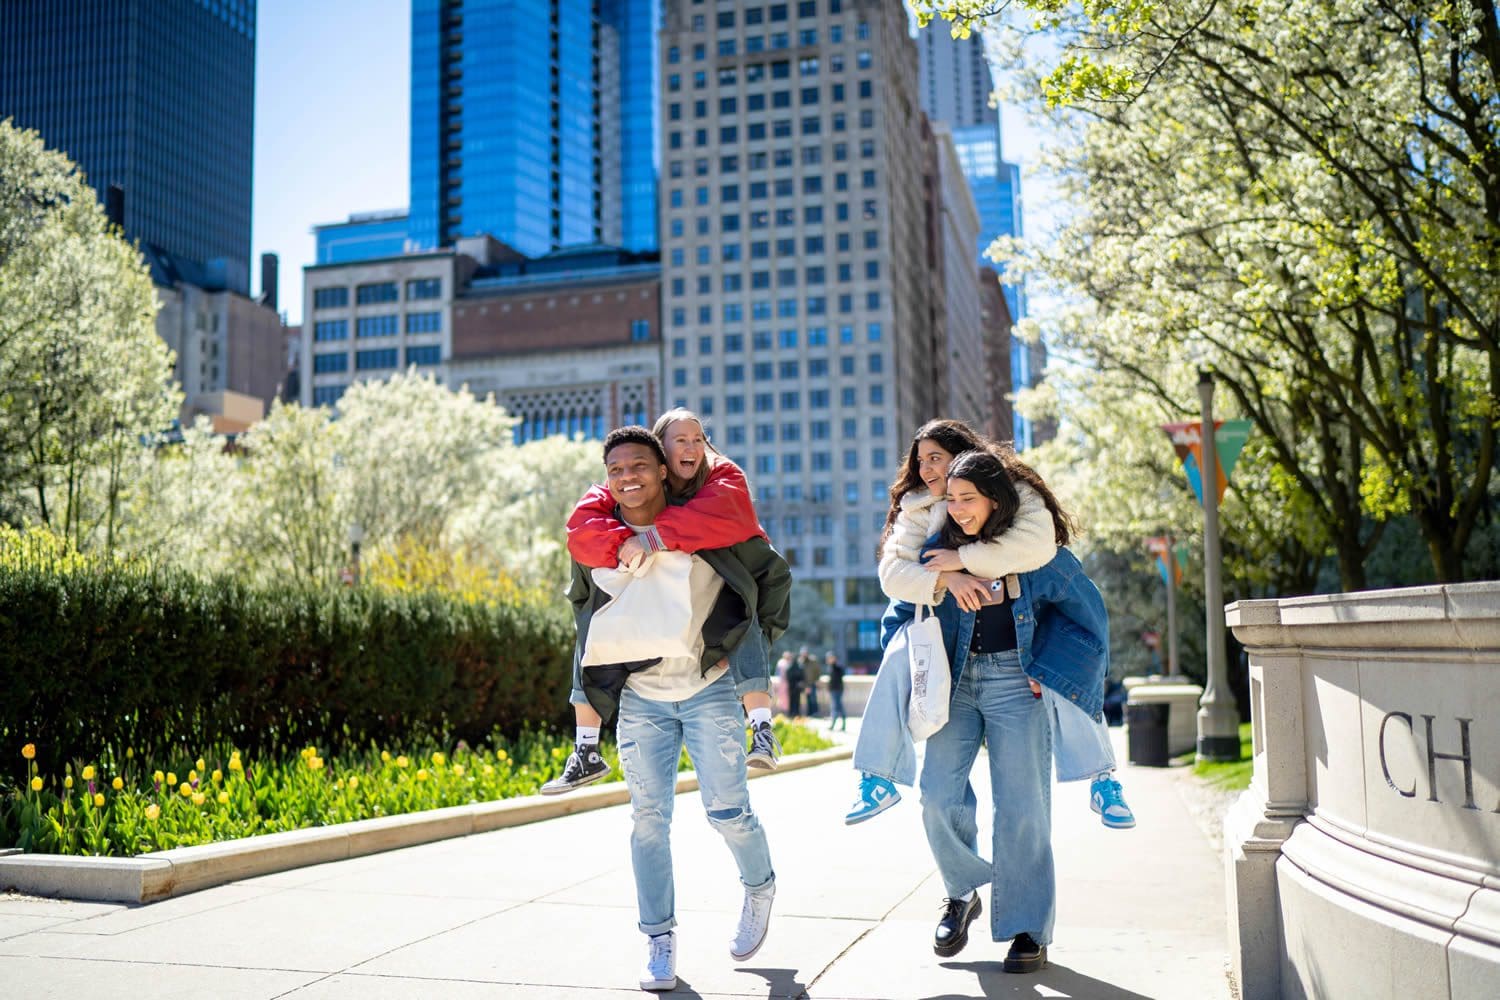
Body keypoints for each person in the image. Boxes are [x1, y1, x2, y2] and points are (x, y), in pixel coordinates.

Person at [566, 427, 788, 991]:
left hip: (707, 686)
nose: (628, 478)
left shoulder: (707, 524)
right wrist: (588, 702)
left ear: (664, 469)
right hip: (643, 697)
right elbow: (585, 621)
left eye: (640, 466)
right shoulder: (599, 537)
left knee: (727, 813)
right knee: (647, 822)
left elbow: (763, 579)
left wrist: (753, 670)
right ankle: (659, 940)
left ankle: (759, 887)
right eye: (616, 470)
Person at [846, 419, 1135, 832]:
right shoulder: (919, 512)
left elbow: (1045, 558)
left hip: (1020, 661)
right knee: (899, 659)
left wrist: (964, 560)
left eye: (936, 459)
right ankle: (879, 778)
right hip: (950, 657)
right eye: (920, 460)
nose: (927, 470)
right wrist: (948, 579)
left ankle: (1103, 779)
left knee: (1066, 668)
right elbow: (893, 576)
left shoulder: (1021, 507)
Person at [891, 448, 1113, 973]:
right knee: (937, 799)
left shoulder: (1034, 553)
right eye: (953, 499)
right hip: (956, 683)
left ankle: (1027, 929)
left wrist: (1049, 668)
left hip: (1018, 683)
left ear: (997, 500)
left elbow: (1089, 615)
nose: (959, 509)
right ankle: (962, 891)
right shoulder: (934, 550)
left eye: (969, 499)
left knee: (1022, 811)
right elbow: (897, 605)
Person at [543, 409, 783, 794]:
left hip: (707, 675)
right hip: (644, 680)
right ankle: (585, 749)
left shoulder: (722, 480)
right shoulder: (626, 486)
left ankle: (763, 727)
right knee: (590, 629)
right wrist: (620, 543)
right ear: (662, 453)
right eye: (680, 440)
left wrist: (652, 539)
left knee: (743, 614)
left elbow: (752, 546)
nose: (691, 448)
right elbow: (583, 524)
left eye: (698, 439)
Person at [825, 650, 846, 731]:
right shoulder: (831, 667)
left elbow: (840, 675)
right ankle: (836, 724)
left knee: (837, 707)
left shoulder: (837, 667)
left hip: (837, 690)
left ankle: (838, 724)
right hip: (834, 690)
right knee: (837, 707)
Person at [798, 646, 820, 716]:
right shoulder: (801, 661)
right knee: (808, 699)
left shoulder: (813, 660)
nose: (804, 654)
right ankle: (810, 713)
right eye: (803, 653)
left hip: (812, 683)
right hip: (805, 684)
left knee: (813, 699)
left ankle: (815, 713)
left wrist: (817, 680)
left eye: (805, 653)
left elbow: (818, 671)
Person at [784, 652, 804, 718]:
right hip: (795, 686)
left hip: (792, 686)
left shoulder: (790, 667)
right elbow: (801, 676)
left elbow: (788, 676)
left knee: (793, 700)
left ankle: (792, 713)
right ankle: (796, 713)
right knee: (796, 700)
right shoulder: (798, 667)